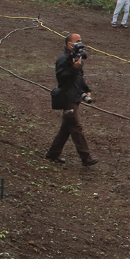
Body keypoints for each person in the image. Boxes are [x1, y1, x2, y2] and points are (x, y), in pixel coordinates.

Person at [46, 32, 99, 166]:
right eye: (78, 41)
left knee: (66, 127)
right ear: (70, 44)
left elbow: (79, 76)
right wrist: (74, 68)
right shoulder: (63, 59)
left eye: (81, 40)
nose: (81, 43)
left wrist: (86, 89)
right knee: (76, 127)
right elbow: (61, 78)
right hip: (67, 96)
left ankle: (53, 153)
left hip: (75, 95)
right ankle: (85, 157)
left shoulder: (76, 57)